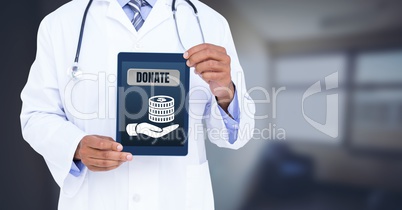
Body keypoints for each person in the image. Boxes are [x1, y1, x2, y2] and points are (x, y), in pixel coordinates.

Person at [20, 0, 255, 209]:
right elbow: (37, 114)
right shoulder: (61, 23)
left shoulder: (208, 22)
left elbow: (235, 136)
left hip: (178, 198)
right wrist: (76, 146)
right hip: (97, 199)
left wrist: (225, 92)